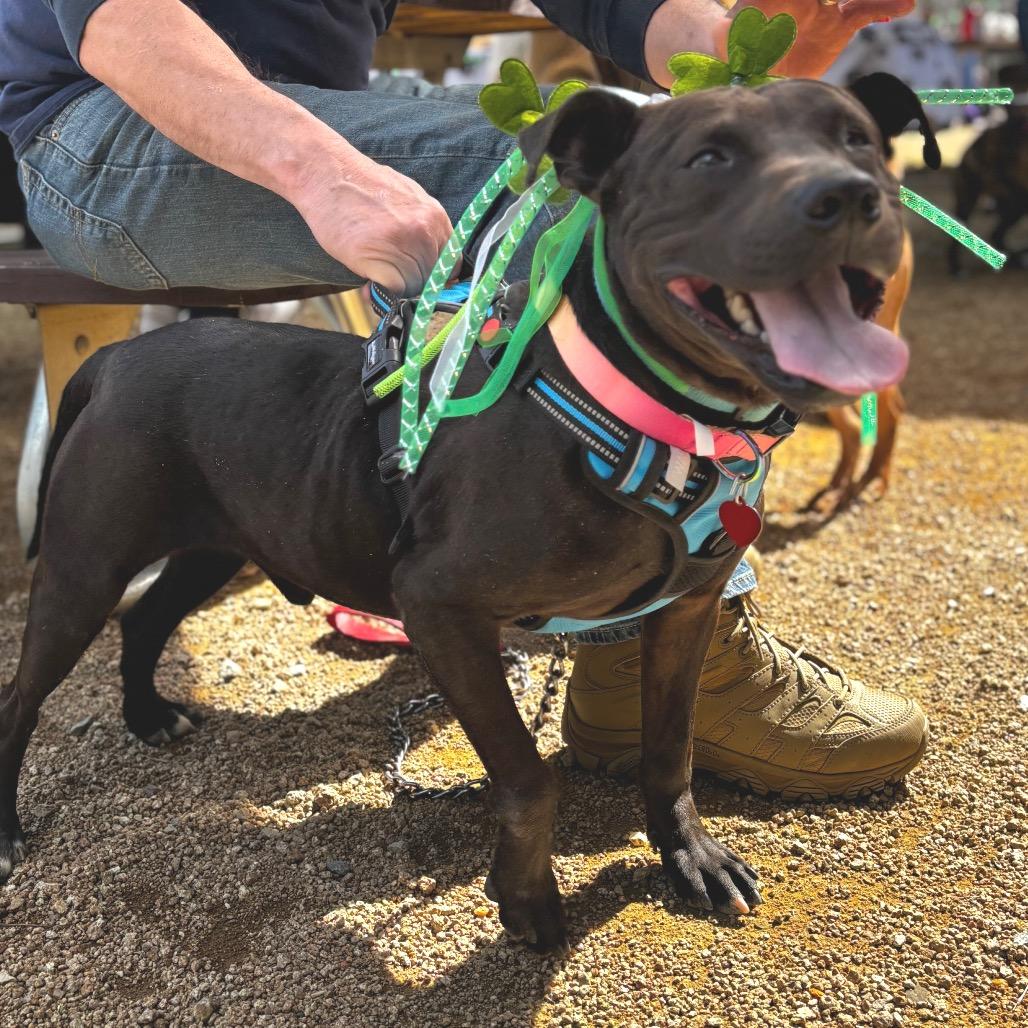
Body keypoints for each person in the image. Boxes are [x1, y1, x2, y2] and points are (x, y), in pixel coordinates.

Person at [0, 0, 927, 797]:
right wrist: (325, 173)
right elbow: (116, 19)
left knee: (623, 132)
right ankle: (626, 628)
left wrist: (771, 37)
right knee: (533, 173)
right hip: (101, 124)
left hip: (324, 96)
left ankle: (635, 596)